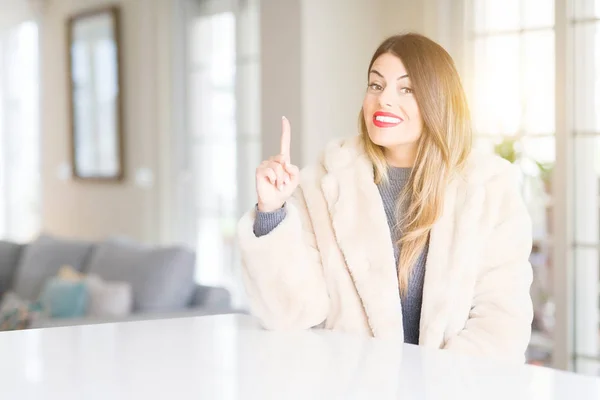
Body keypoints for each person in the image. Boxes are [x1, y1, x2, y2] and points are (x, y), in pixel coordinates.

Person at [236, 33, 534, 363]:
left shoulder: (490, 188)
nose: (384, 100)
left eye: (406, 89)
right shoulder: (322, 182)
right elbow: (289, 313)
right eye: (376, 85)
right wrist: (271, 211)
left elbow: (502, 321)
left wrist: (439, 385)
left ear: (439, 100)